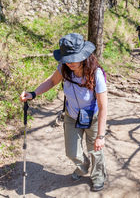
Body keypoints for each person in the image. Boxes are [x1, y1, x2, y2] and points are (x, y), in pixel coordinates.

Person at [20, 33, 108, 192]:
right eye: (67, 59)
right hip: (71, 116)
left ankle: (98, 176)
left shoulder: (96, 74)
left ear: (83, 56)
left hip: (93, 117)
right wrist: (33, 94)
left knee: (95, 151)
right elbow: (52, 81)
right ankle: (83, 167)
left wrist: (101, 136)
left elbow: (103, 107)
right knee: (72, 152)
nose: (70, 63)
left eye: (73, 58)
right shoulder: (64, 67)